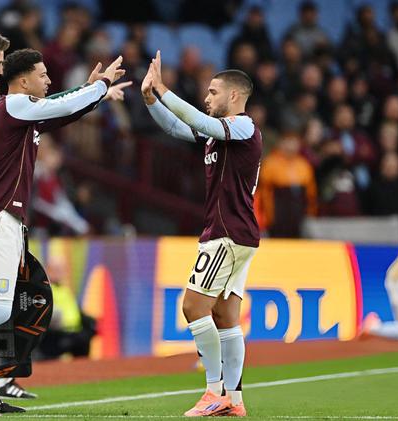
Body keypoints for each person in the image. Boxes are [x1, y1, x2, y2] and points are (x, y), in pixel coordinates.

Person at [0, 49, 125, 417]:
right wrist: (98, 85)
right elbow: (60, 106)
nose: (48, 80)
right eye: (42, 75)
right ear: (23, 80)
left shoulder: (19, 114)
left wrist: (94, 93)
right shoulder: (14, 105)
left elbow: (62, 112)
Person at [143, 51, 260, 417]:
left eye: (213, 92)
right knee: (225, 316)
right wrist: (150, 99)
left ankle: (213, 391)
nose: (207, 98)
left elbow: (197, 120)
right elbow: (178, 128)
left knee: (193, 307)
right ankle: (234, 400)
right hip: (238, 233)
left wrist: (163, 88)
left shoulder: (244, 126)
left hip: (226, 233)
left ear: (234, 96)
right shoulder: (219, 134)